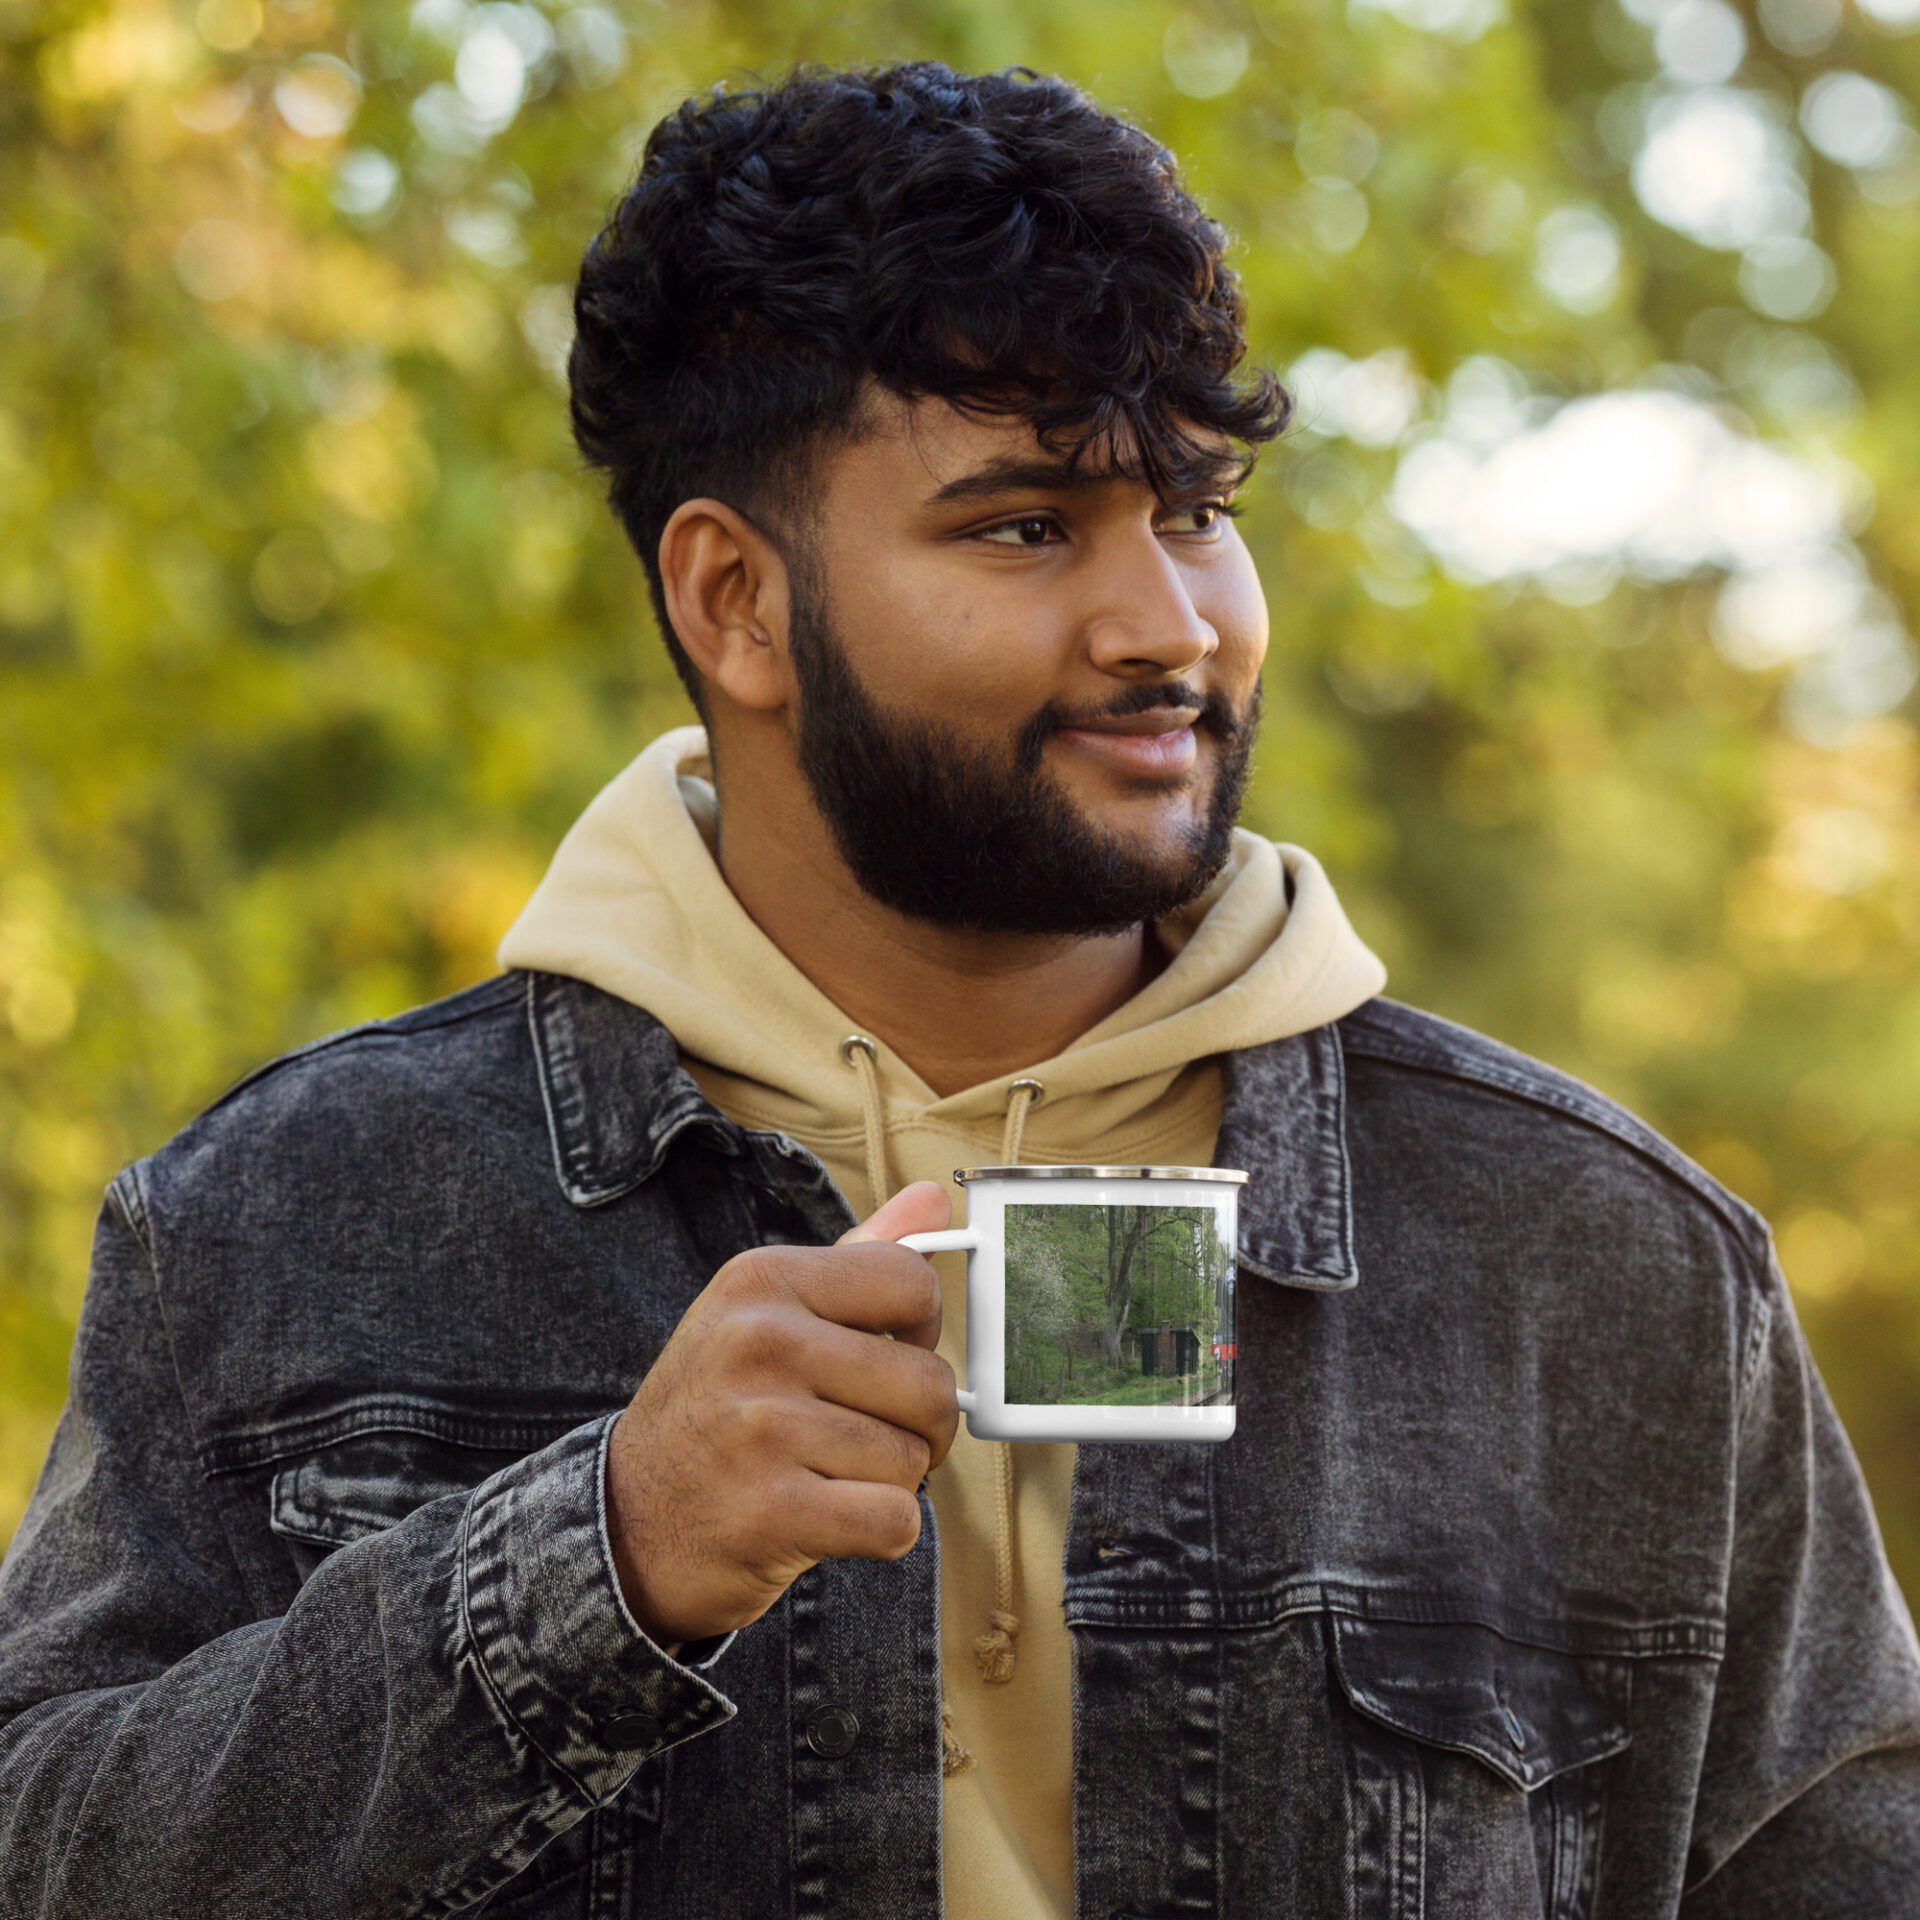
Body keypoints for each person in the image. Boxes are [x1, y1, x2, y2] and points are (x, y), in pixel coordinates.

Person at [1, 59, 1916, 1920]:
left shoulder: (1612, 1265)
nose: (1168, 626)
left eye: (1197, 507)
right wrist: (593, 1564)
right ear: (734, 602)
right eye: (1025, 524)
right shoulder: (277, 1222)